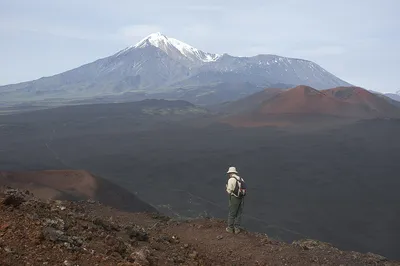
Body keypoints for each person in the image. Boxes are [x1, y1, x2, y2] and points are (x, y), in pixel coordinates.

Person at [225, 166, 246, 234]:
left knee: (232, 213)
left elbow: (229, 191)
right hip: (241, 197)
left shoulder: (231, 179)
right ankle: (237, 229)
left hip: (234, 198)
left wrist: (227, 188)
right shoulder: (241, 179)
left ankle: (230, 228)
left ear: (231, 173)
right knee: (239, 213)